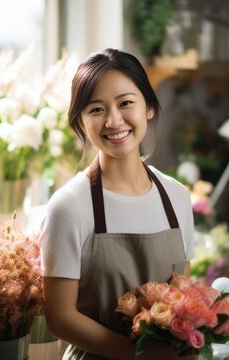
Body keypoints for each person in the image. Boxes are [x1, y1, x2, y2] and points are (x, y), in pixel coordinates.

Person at [39, 48, 196, 359]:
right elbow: (60, 319)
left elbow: (182, 297)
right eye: (96, 109)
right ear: (81, 123)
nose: (114, 120)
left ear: (148, 107)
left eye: (126, 103)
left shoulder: (177, 197)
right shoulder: (69, 206)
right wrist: (140, 355)